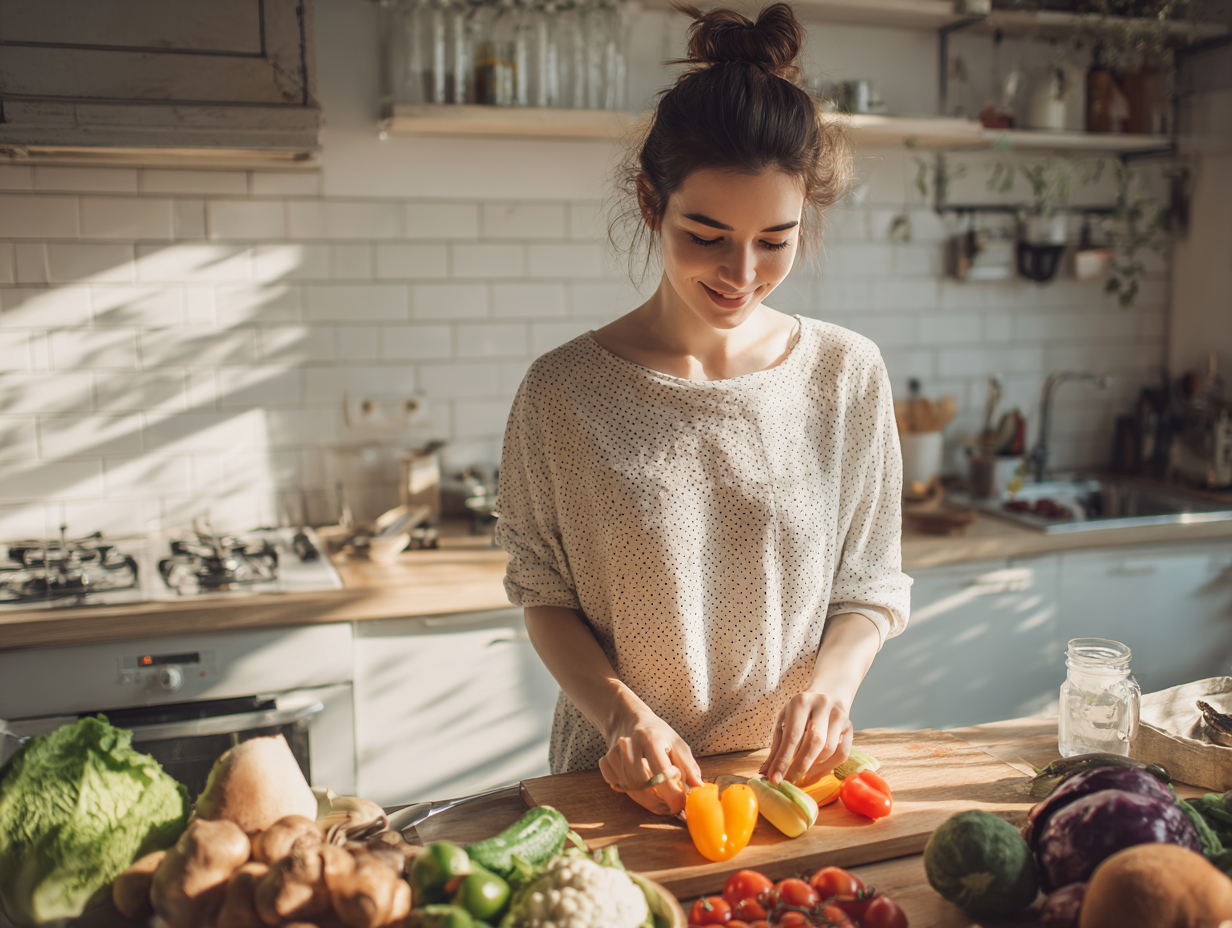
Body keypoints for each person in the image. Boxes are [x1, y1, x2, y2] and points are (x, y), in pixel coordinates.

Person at [495, 2, 912, 816]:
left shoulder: (845, 374)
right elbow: (542, 593)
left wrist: (831, 691)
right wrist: (621, 715)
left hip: (790, 791)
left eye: (775, 240)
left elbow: (870, 584)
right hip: (620, 790)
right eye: (707, 234)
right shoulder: (562, 392)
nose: (742, 272)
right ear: (652, 203)